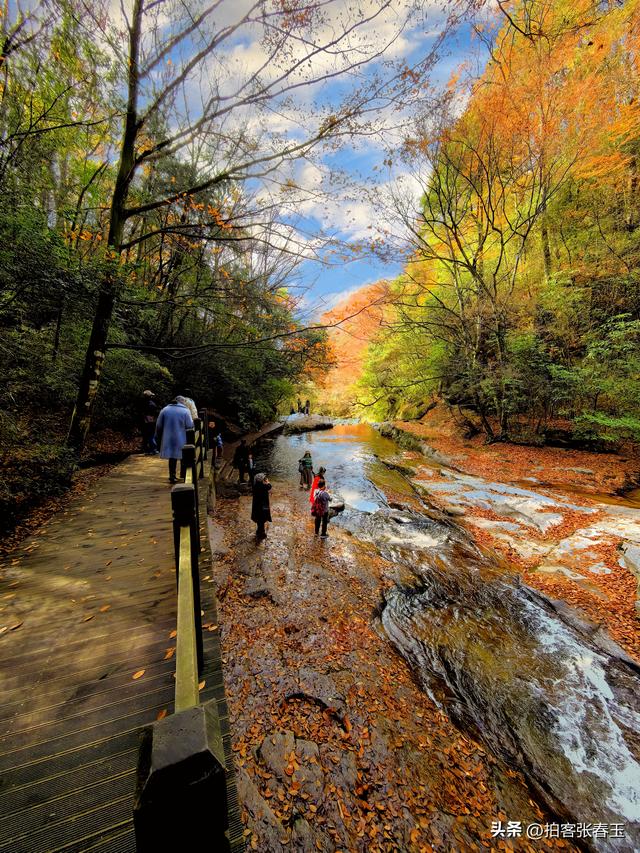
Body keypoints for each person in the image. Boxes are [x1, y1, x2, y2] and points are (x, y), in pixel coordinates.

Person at [155, 398, 194, 483]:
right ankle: (184, 474)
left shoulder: (164, 410)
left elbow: (158, 425)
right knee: (183, 456)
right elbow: (190, 425)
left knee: (172, 458)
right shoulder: (185, 411)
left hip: (168, 437)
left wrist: (158, 436)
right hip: (181, 437)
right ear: (182, 403)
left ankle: (172, 476)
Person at [251, 473, 272, 539]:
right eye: (263, 479)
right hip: (263, 505)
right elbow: (269, 486)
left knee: (259, 519)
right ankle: (261, 533)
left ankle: (259, 531)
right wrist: (267, 482)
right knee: (262, 518)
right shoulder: (263, 486)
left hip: (257, 506)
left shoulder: (255, 485)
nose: (264, 480)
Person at [141, 390, 158, 454]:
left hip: (144, 421)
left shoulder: (142, 404)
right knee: (151, 435)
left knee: (145, 436)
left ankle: (146, 450)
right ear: (150, 397)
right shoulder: (152, 404)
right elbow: (155, 413)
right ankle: (153, 449)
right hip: (151, 421)